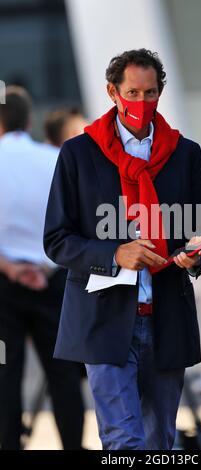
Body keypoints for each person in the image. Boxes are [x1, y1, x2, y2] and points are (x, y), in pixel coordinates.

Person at [44, 48, 201, 450]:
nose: (142, 102)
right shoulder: (78, 154)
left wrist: (195, 255)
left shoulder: (185, 153)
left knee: (161, 442)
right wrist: (114, 254)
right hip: (104, 319)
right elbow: (56, 239)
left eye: (151, 93)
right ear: (112, 92)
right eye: (133, 93)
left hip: (167, 315)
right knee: (123, 440)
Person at [0, 86, 85, 450]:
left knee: (5, 374)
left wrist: (12, 268)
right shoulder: (54, 159)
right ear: (29, 120)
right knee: (65, 374)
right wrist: (45, 267)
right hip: (54, 279)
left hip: (4, 283)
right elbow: (77, 222)